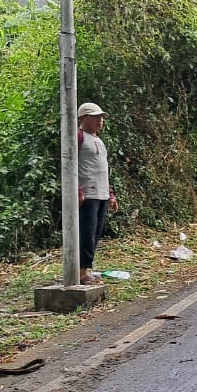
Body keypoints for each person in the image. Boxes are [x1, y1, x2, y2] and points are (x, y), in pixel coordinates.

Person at [76, 102, 118, 284]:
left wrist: (111, 194)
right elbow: (70, 165)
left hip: (101, 194)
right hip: (88, 194)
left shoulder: (98, 140)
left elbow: (102, 170)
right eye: (95, 117)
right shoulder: (78, 136)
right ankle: (81, 272)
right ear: (83, 118)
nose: (100, 121)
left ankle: (87, 269)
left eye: (101, 117)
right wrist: (77, 190)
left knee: (95, 233)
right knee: (86, 233)